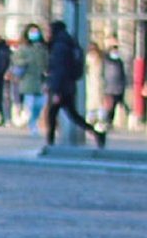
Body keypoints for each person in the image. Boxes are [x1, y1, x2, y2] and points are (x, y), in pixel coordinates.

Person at [41, 19, 104, 150]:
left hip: (61, 86)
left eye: (48, 31)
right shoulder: (69, 43)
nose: (46, 34)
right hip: (68, 85)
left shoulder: (59, 46)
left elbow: (59, 69)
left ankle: (50, 142)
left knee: (53, 114)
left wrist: (57, 89)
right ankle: (96, 133)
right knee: (72, 114)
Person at [11, 24, 48, 130]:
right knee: (30, 105)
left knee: (40, 104)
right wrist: (25, 63)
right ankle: (32, 124)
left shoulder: (42, 48)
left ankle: (33, 122)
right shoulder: (23, 49)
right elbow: (16, 62)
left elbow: (46, 63)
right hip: (27, 81)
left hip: (40, 81)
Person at [101, 41, 130, 128]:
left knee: (118, 104)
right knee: (111, 106)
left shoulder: (119, 62)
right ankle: (107, 120)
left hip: (118, 87)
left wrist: (124, 84)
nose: (115, 53)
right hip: (109, 88)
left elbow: (122, 74)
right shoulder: (106, 61)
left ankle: (110, 120)